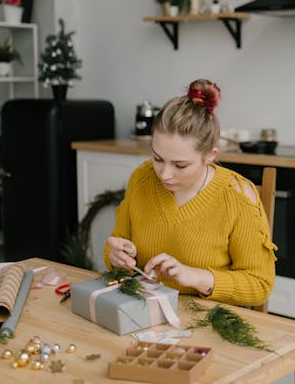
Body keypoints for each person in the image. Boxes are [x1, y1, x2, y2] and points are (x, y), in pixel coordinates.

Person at [104, 79, 276, 307]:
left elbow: (259, 285)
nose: (164, 174)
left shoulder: (237, 196)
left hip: (209, 322)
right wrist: (117, 257)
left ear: (210, 155)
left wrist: (195, 277)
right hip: (144, 312)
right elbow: (116, 245)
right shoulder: (142, 179)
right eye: (157, 158)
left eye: (180, 165)